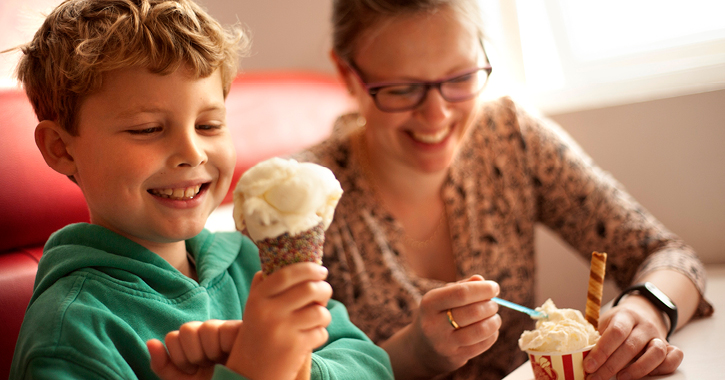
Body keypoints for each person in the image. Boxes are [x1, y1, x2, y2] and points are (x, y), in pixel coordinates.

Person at [293, 1, 715, 380]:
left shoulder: (510, 136)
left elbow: (666, 253)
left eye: (460, 77)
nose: (437, 115)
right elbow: (285, 371)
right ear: (348, 75)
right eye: (403, 89)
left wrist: (646, 309)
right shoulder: (299, 199)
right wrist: (411, 358)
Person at [8, 0, 393, 379]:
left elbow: (370, 363)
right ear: (61, 148)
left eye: (209, 125)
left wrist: (303, 368)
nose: (192, 153)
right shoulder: (72, 333)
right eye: (147, 129)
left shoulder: (249, 260)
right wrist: (252, 372)